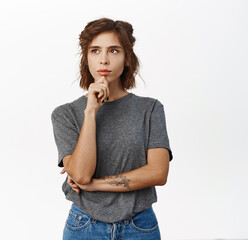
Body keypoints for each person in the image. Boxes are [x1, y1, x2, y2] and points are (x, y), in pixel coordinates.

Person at [51, 17, 173, 240]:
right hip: (84, 225)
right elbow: (81, 174)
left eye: (114, 51)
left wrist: (95, 185)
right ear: (86, 58)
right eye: (95, 51)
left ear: (127, 58)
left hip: (139, 225)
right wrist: (90, 112)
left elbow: (158, 172)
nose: (104, 60)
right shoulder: (65, 114)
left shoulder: (150, 109)